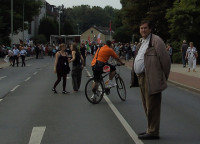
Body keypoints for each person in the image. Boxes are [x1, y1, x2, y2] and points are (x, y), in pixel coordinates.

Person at [131, 20, 171, 140]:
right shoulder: (142, 43)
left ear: (150, 29)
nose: (143, 30)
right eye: (141, 28)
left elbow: (166, 61)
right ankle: (150, 129)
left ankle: (153, 131)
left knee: (152, 106)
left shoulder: (156, 41)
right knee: (147, 105)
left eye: (145, 28)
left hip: (151, 78)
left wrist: (161, 78)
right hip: (141, 78)